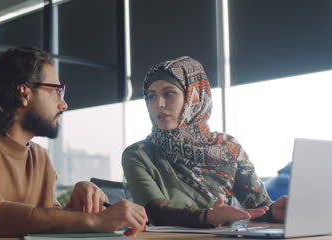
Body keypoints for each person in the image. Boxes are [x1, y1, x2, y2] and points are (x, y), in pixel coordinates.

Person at [0, 46, 147, 239]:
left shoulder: (39, 158)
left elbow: (41, 225)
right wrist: (91, 221)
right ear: (24, 93)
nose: (64, 104)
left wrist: (77, 206)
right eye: (56, 91)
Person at [122, 56, 286, 227]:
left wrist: (274, 211)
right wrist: (208, 217)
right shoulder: (138, 154)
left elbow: (258, 208)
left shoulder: (228, 147)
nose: (159, 104)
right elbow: (154, 214)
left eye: (168, 93)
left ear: (194, 96)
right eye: (151, 97)